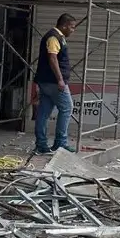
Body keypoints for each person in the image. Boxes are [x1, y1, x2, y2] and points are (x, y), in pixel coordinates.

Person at [33, 13, 79, 155]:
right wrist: (60, 79)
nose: (73, 30)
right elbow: (53, 59)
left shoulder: (58, 37)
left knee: (44, 112)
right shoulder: (54, 37)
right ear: (64, 25)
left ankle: (41, 145)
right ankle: (60, 143)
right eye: (72, 27)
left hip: (46, 81)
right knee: (66, 108)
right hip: (53, 82)